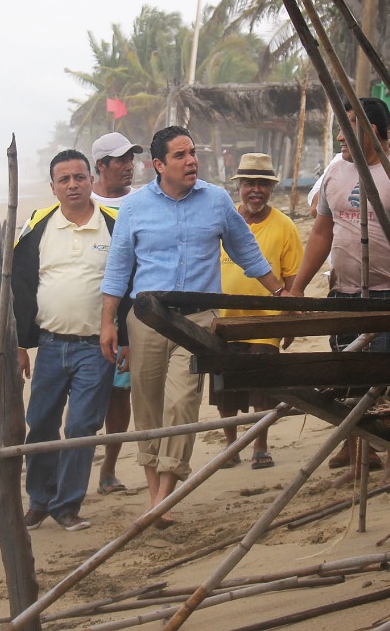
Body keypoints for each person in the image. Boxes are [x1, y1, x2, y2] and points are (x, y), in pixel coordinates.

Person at [100, 126, 283, 525]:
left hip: (200, 319)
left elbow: (246, 250)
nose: (191, 161)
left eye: (193, 153)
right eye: (181, 155)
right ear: (159, 165)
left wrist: (279, 291)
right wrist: (108, 323)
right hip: (147, 316)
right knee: (146, 406)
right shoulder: (134, 207)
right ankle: (156, 497)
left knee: (183, 402)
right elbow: (118, 268)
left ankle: (163, 496)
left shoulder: (216, 200)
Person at [290, 98, 390, 481]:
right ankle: (361, 458)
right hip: (343, 291)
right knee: (350, 376)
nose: (342, 136)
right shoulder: (336, 173)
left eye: (352, 128)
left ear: (380, 131)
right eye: (341, 127)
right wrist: (297, 287)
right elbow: (322, 233)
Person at [15, 150, 125, 532]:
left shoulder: (114, 224)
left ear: (92, 180)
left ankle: (67, 505)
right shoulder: (37, 225)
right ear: (53, 187)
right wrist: (19, 343)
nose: (73, 185)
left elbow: (130, 284)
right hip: (49, 344)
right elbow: (21, 284)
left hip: (96, 348)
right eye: (64, 179)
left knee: (81, 426)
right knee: (41, 424)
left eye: (79, 177)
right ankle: (39, 501)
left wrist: (124, 338)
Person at [212, 153, 302, 471]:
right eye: (250, 183)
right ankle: (231, 446)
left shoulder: (285, 226)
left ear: (271, 189)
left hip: (267, 321)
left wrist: (291, 321)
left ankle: (260, 447)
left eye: (262, 184)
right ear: (239, 187)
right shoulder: (223, 223)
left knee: (262, 387)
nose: (256, 190)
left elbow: (294, 280)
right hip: (223, 321)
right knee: (225, 390)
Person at [89, 131, 143, 495]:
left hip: (130, 318)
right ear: (101, 166)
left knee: (120, 396)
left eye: (131, 159)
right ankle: (71, 471)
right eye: (120, 160)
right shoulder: (82, 202)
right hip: (83, 319)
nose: (128, 166)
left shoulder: (142, 202)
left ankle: (108, 468)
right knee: (84, 399)